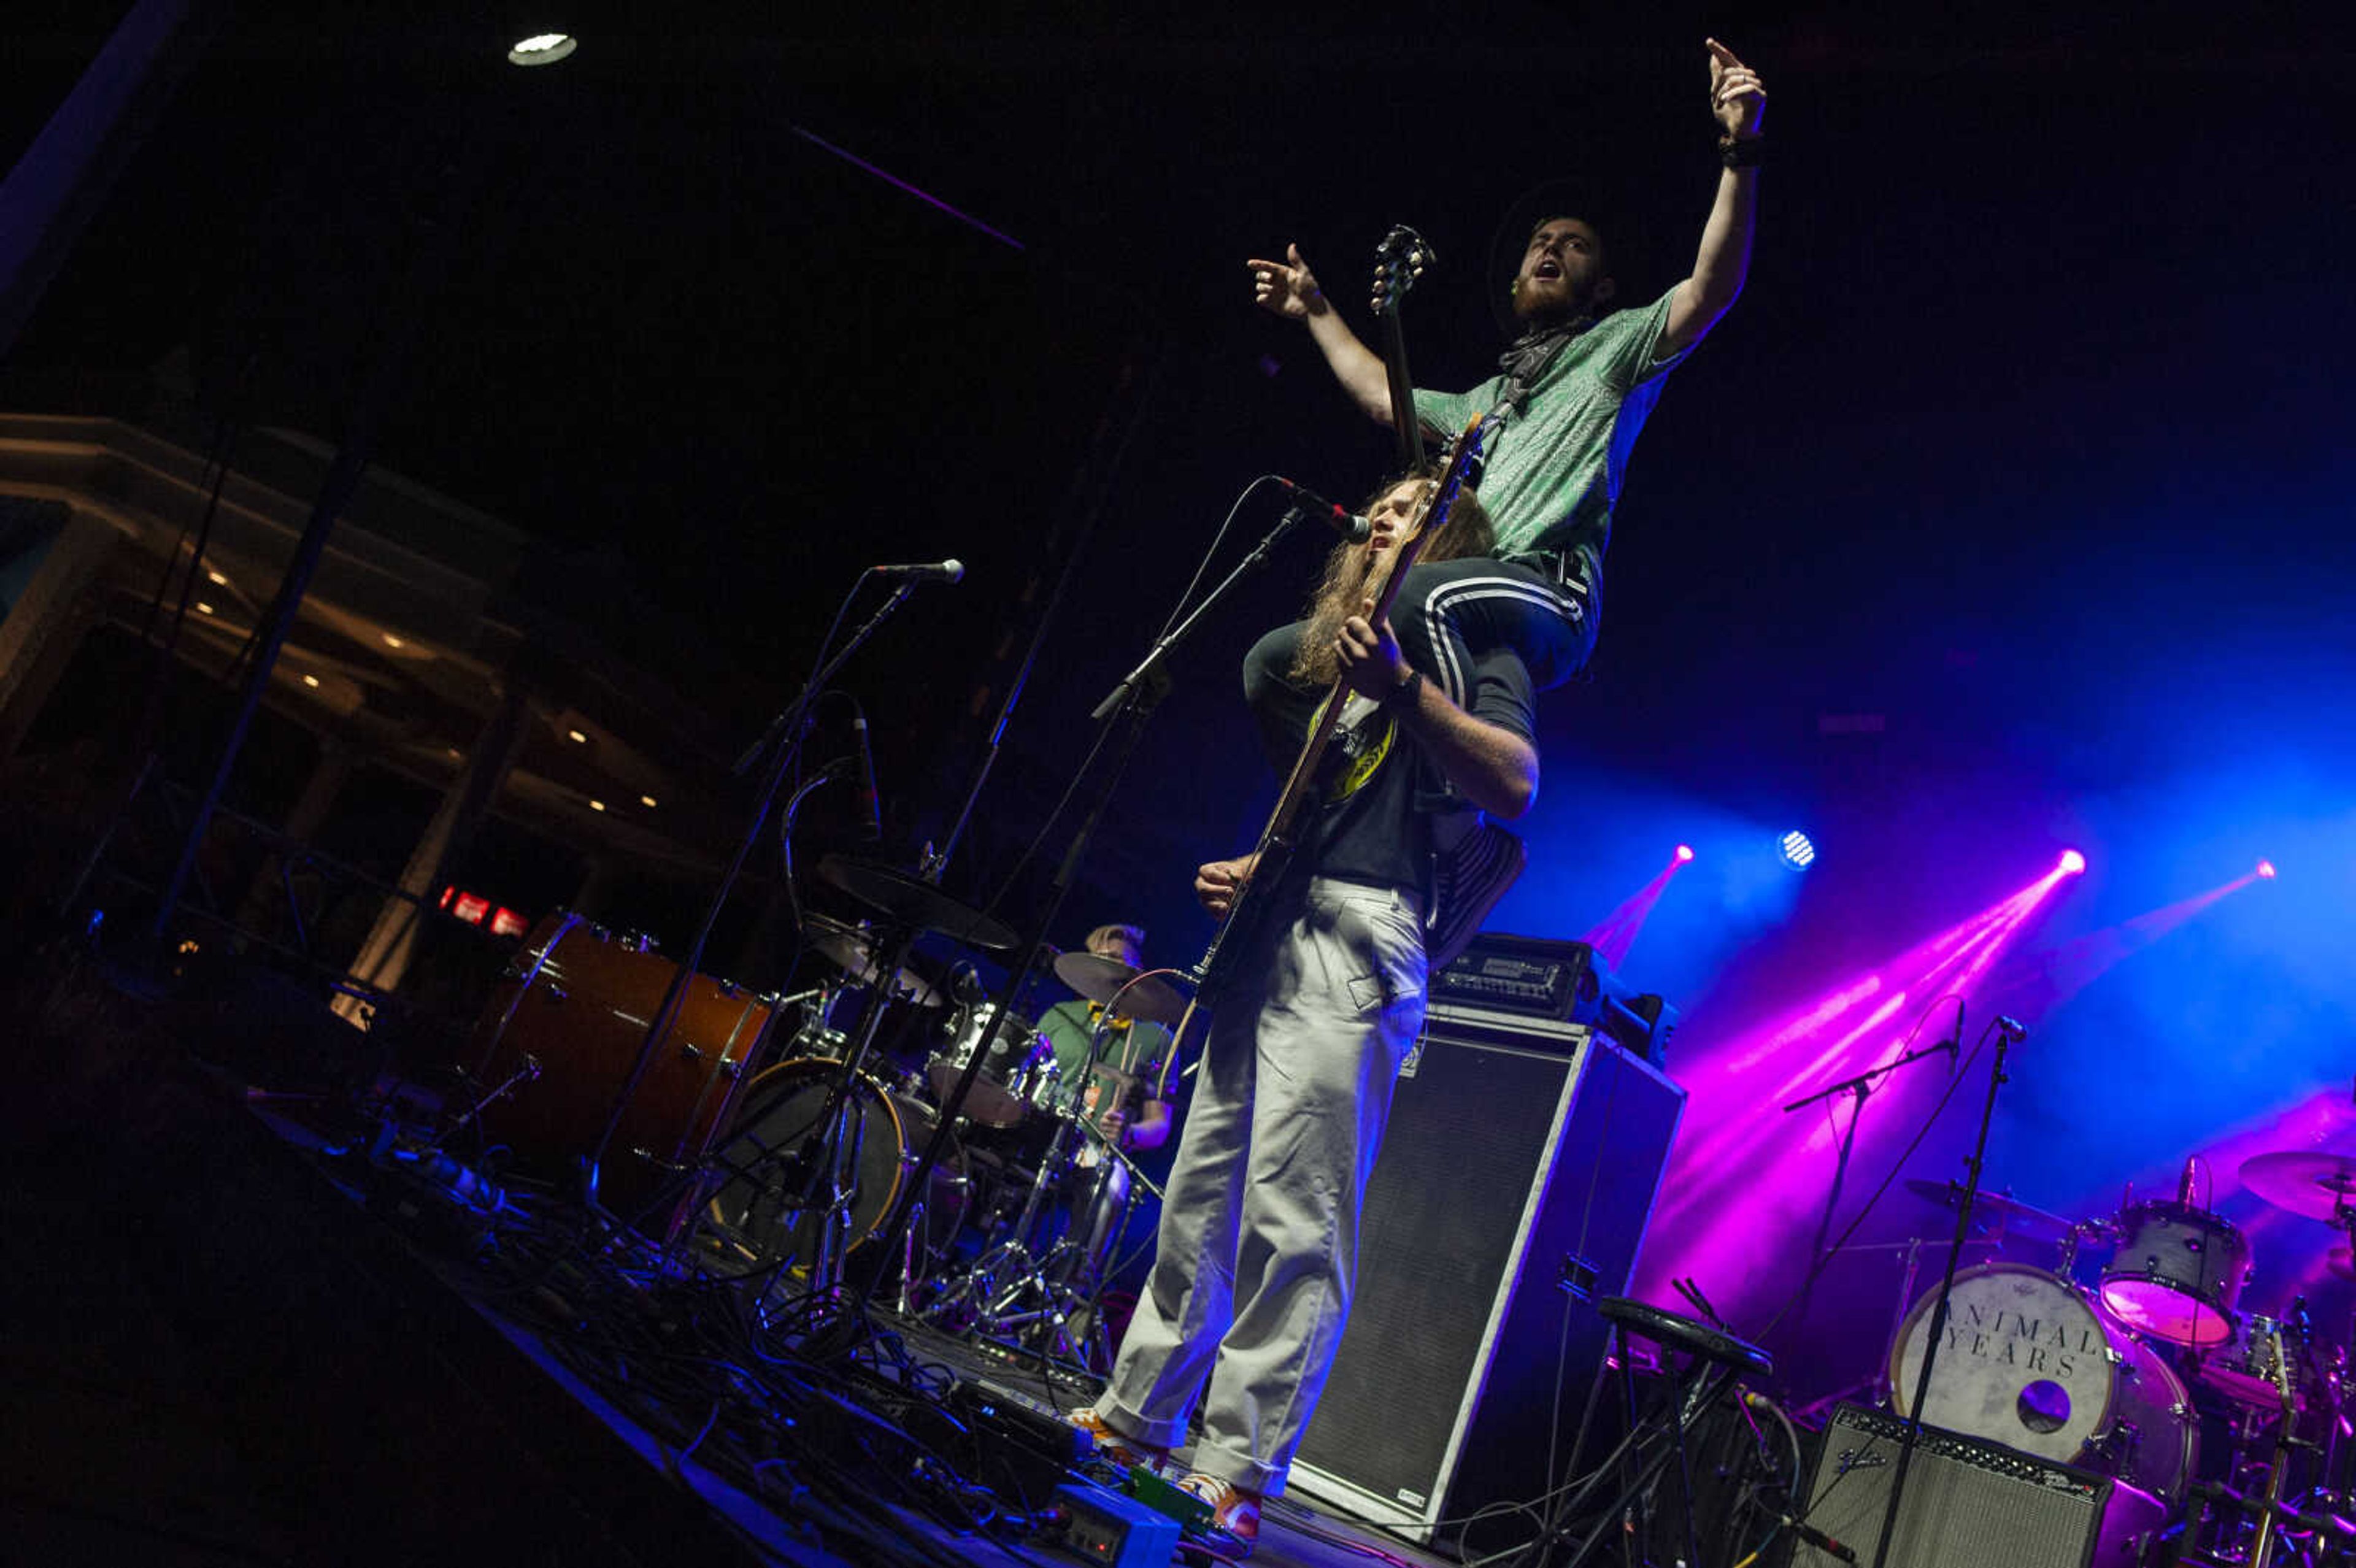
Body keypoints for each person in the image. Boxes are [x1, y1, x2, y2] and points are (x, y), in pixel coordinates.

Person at [1071, 469, 1539, 1553]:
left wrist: (1412, 685)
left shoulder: (1481, 649)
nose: (1384, 512)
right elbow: (1284, 695)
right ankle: (1137, 1414)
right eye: (1379, 502)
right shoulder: (1330, 676)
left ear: (1455, 538)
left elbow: (1515, 782)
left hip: (1368, 934)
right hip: (1280, 926)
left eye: (1416, 505)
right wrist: (1258, 863)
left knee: (1300, 1214)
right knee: (1202, 1188)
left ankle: (1234, 1466)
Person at [1247, 37, 1766, 695]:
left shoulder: (1615, 349)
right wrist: (1315, 309)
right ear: (1518, 280)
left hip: (1544, 590)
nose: (1551, 249)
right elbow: (1386, 397)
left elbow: (1710, 288)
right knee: (1276, 664)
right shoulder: (1489, 398)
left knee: (1405, 601)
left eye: (1573, 246)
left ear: (1602, 286)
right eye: (1540, 243)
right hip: (1460, 599)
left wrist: (1740, 150)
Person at [1034, 923, 1175, 1285]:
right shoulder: (1059, 1017)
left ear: (1136, 974)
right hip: (1038, 1132)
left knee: (1114, 1184)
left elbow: (1159, 1126)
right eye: (1102, 960)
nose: (1109, 967)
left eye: (1118, 962)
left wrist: (1130, 1133)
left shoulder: (1156, 1037)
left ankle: (1067, 1294)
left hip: (1094, 1150)